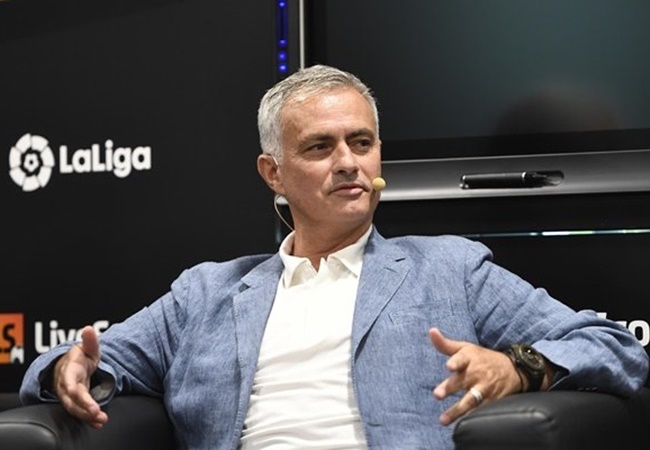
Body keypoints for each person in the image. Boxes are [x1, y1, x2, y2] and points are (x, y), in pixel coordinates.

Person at [20, 64, 649, 449]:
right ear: (273, 173)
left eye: (363, 142)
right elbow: (77, 363)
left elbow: (616, 347)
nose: (349, 162)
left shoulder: (448, 268)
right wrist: (68, 369)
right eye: (320, 147)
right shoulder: (206, 293)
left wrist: (518, 367)